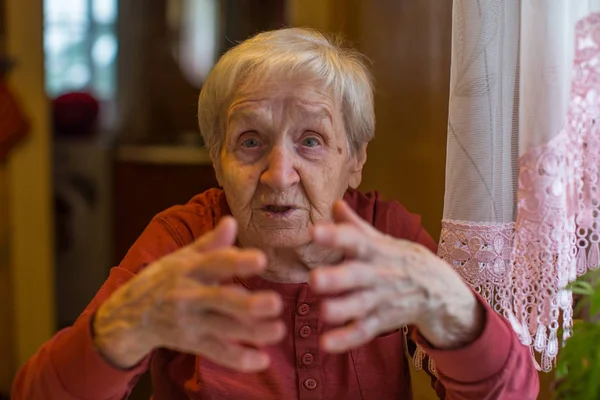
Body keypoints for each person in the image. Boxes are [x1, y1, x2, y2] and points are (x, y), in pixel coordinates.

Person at [12, 28, 539, 400]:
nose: (278, 173)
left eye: (311, 140)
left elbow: (510, 394)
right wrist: (120, 329)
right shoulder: (184, 239)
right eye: (249, 141)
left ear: (354, 160)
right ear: (217, 159)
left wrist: (457, 316)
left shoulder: (384, 233)